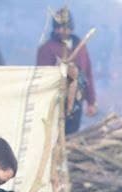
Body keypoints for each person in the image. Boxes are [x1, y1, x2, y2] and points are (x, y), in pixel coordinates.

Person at [36, 7, 98, 135]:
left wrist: (91, 101)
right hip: (55, 103)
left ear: (71, 28)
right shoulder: (47, 49)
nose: (60, 31)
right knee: (55, 134)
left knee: (72, 133)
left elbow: (88, 74)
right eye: (57, 27)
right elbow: (41, 78)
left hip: (77, 100)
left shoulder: (80, 47)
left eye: (64, 27)